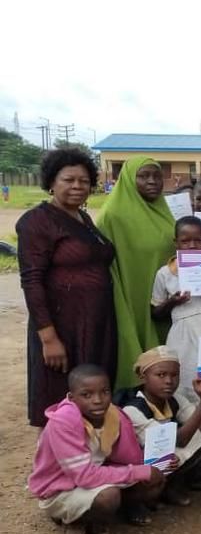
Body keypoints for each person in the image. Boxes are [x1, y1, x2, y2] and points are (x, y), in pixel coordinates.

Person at [17, 148, 116, 426]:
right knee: (59, 398)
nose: (77, 186)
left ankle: (89, 460)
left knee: (91, 396)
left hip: (95, 323)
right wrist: (48, 339)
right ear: (51, 182)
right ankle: (53, 461)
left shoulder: (83, 220)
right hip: (62, 326)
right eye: (68, 180)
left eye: (83, 181)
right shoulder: (37, 222)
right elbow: (32, 281)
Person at [29, 365, 165, 534]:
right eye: (87, 395)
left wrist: (151, 467)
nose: (98, 400)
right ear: (72, 397)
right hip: (62, 487)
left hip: (96, 476)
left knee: (154, 480)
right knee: (108, 496)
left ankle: (111, 511)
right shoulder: (64, 423)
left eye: (105, 392)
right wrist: (139, 471)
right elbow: (84, 476)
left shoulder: (114, 415)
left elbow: (130, 457)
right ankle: (74, 521)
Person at [119, 346, 201, 506]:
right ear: (142, 376)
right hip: (136, 463)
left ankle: (168, 487)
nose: (169, 381)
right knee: (171, 454)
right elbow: (179, 441)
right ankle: (137, 503)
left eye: (174, 375)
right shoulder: (133, 409)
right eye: (160, 375)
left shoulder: (175, 399)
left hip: (161, 454)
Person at [96, 157, 176, 389]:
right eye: (143, 176)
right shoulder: (112, 216)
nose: (152, 181)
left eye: (157, 176)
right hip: (133, 294)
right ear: (129, 180)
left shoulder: (164, 211)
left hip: (166, 297)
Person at [150, 217, 201, 404]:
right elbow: (156, 312)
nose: (192, 245)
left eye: (198, 240)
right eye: (185, 241)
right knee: (186, 375)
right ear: (176, 243)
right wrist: (173, 302)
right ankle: (188, 419)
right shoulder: (166, 273)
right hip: (182, 334)